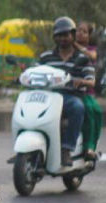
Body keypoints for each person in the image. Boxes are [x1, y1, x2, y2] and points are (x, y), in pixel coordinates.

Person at [39, 17, 95, 166]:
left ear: (73, 35)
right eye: (59, 35)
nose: (62, 38)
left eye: (65, 35)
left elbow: (91, 80)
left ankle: (66, 149)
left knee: (77, 107)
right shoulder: (46, 57)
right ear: (54, 37)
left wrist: (81, 81)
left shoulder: (82, 58)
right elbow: (35, 71)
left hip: (69, 97)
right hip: (48, 96)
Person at [75, 21, 102, 159]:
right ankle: (87, 146)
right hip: (72, 90)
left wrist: (76, 46)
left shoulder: (91, 49)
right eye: (78, 30)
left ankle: (91, 147)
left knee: (95, 111)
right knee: (88, 110)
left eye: (84, 31)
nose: (80, 33)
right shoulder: (67, 48)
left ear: (89, 36)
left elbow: (92, 56)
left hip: (87, 90)